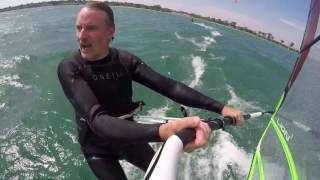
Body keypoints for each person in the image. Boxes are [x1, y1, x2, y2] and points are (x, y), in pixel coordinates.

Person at [57, 2, 243, 180]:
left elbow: (169, 87)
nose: (81, 36)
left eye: (90, 28)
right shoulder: (70, 68)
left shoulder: (125, 61)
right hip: (98, 149)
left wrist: (222, 108)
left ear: (110, 31)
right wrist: (164, 131)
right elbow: (98, 120)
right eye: (78, 27)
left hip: (130, 139)